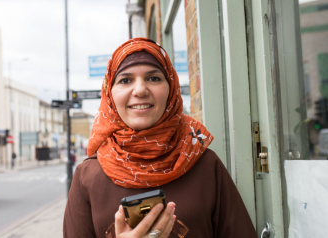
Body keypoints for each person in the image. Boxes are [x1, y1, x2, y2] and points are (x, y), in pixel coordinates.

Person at [63, 38, 257, 238]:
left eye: (153, 78)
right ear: (109, 95)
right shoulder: (88, 176)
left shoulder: (205, 164)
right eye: (125, 80)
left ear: (171, 88)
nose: (139, 90)